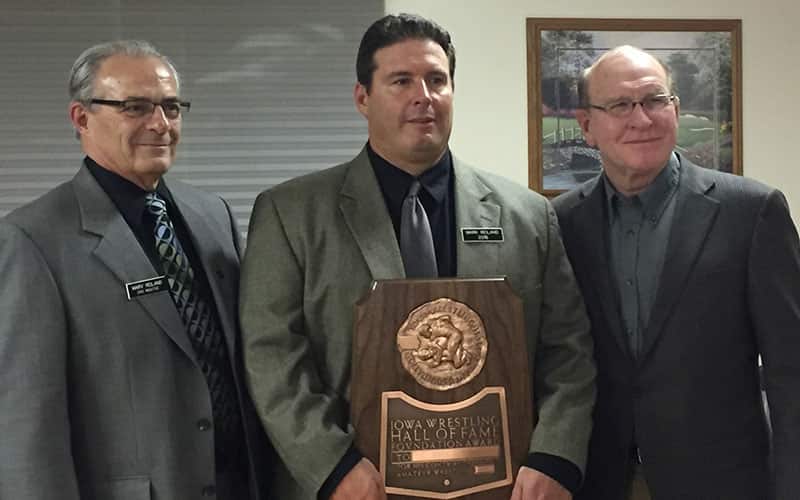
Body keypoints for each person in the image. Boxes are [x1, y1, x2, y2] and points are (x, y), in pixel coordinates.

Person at [240, 13, 596, 500]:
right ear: (362, 97)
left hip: (503, 485)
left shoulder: (529, 216)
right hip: (357, 487)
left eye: (436, 80)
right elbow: (272, 358)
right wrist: (332, 467)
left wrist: (555, 458)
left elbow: (569, 352)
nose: (422, 96)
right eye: (401, 81)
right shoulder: (290, 214)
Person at [0, 40, 272, 499]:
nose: (160, 124)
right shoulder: (33, 240)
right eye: (136, 107)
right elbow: (28, 427)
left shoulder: (214, 217)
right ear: (81, 118)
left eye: (171, 107)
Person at [552, 45, 800, 500]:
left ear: (676, 110)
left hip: (724, 482)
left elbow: (792, 371)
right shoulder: (561, 222)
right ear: (587, 126)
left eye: (654, 101)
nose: (641, 119)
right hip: (600, 480)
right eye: (621, 105)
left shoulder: (751, 212)